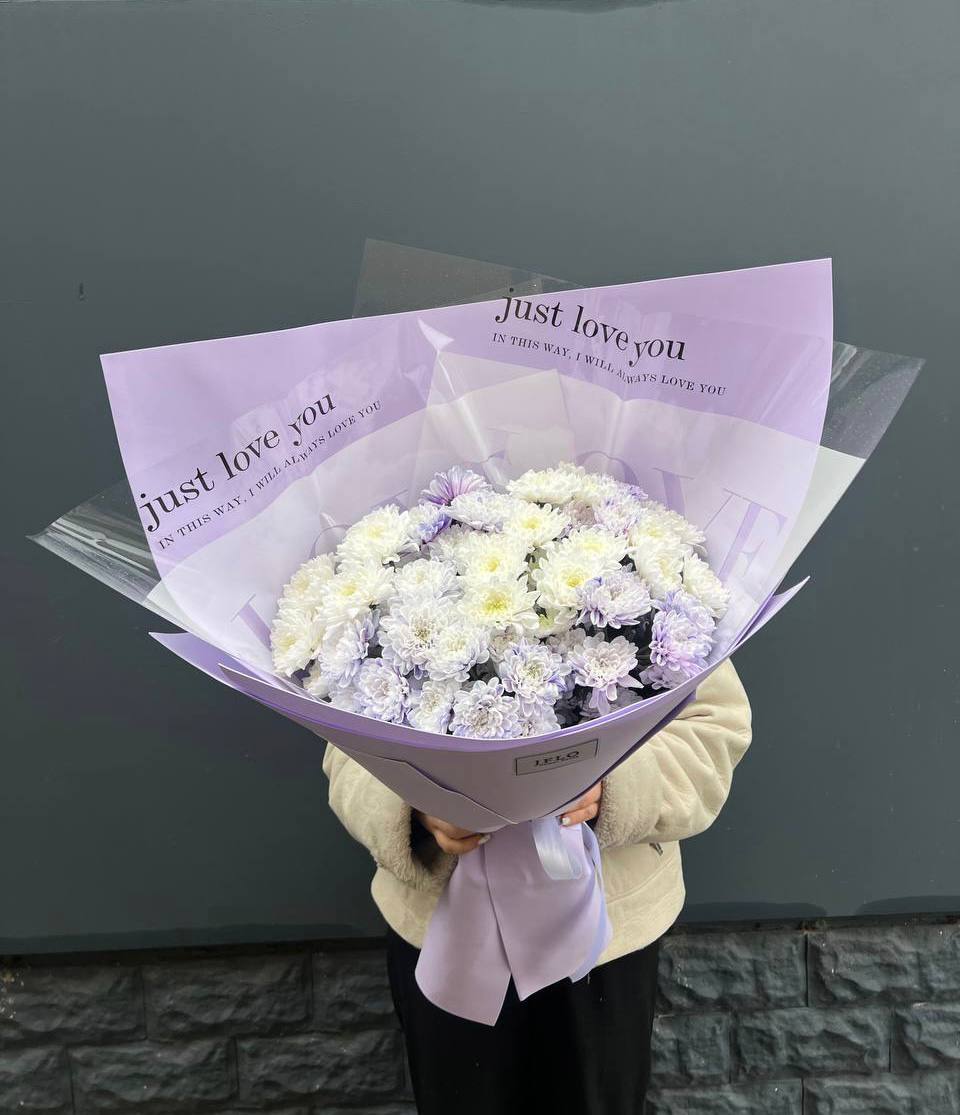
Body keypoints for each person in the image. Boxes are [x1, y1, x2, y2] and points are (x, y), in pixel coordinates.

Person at [322, 659, 751, 1115]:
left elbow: (712, 728)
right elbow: (344, 741)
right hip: (443, 933)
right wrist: (415, 804)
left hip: (605, 939)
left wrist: (613, 784)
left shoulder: (671, 613)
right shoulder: (380, 611)